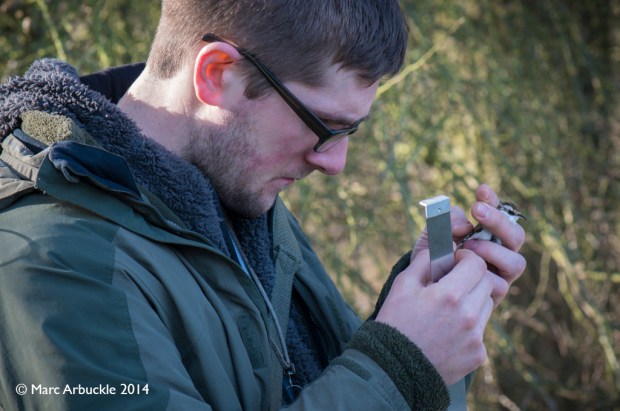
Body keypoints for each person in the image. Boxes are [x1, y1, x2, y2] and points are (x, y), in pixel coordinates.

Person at [0, 0, 526, 410]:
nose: (335, 162)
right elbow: (382, 378)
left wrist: (431, 321)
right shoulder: (47, 264)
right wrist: (402, 366)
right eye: (323, 126)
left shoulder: (240, 197)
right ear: (217, 73)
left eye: (353, 131)